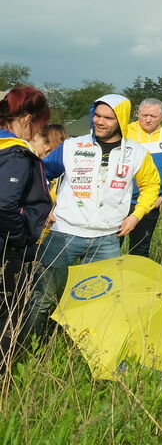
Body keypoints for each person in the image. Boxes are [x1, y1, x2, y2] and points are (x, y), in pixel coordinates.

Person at [28, 95, 161, 341]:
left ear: (120, 120)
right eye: (97, 115)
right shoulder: (72, 146)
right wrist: (45, 205)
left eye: (108, 118)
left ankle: (87, 352)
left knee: (101, 302)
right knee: (43, 299)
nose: (100, 121)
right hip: (63, 233)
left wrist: (135, 216)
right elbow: (40, 174)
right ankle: (25, 350)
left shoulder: (137, 153)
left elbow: (152, 185)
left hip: (107, 239)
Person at [0, 87, 53, 355]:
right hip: (7, 249)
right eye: (41, 123)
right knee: (8, 313)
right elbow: (5, 203)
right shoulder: (16, 155)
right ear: (29, 118)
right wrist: (20, 239)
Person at [123, 98, 162, 258]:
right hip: (120, 201)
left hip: (150, 203)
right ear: (138, 114)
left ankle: (136, 282)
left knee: (140, 250)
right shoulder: (124, 133)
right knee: (110, 247)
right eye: (144, 115)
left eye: (153, 116)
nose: (148, 119)